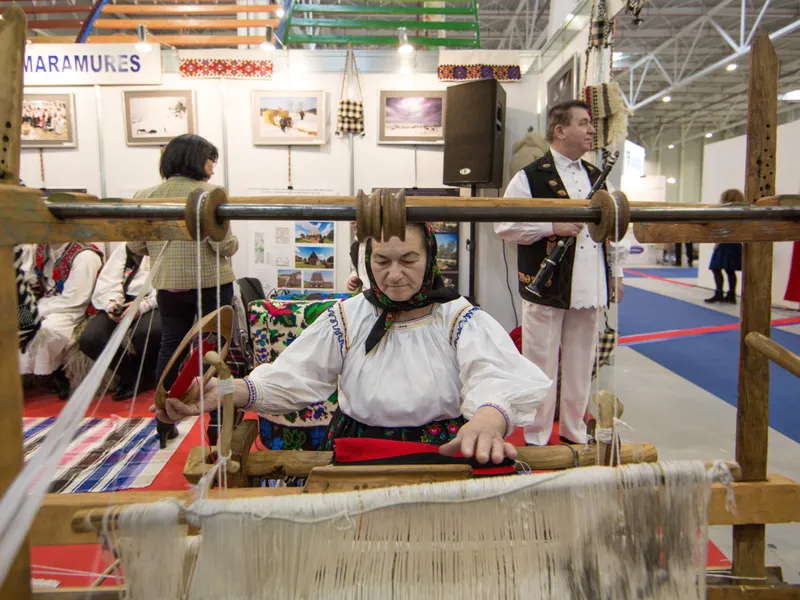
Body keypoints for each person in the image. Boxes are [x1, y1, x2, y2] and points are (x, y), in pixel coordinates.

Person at [153, 223, 552, 465]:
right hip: (356, 450)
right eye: (382, 261)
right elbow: (294, 378)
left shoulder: (456, 316)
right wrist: (223, 389)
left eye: (409, 260)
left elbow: (493, 373)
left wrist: (487, 418)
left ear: (431, 258)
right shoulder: (348, 317)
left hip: (441, 452)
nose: (394, 275)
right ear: (367, 260)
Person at [495, 100, 624, 447]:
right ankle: (536, 435)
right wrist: (551, 225)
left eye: (591, 124)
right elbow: (505, 225)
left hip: (590, 283)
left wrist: (617, 274)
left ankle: (574, 430)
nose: (591, 130)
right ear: (560, 130)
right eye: (583, 123)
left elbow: (613, 229)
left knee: (582, 363)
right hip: (545, 283)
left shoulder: (598, 176)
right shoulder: (529, 176)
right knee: (540, 361)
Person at [129, 134, 239, 448]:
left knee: (170, 347)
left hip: (169, 284)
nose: (213, 169)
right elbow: (226, 245)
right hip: (212, 282)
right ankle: (217, 424)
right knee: (216, 348)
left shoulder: (145, 196)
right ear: (197, 160)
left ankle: (163, 420)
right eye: (211, 161)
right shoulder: (210, 194)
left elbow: (136, 246)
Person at [18, 242, 103, 399]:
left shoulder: (84, 256)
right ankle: (17, 378)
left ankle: (55, 372)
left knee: (44, 330)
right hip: (44, 304)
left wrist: (38, 311)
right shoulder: (40, 249)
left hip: (73, 310)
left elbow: (76, 299)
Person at [78, 243, 161, 400]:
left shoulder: (169, 245)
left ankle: (150, 373)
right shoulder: (128, 247)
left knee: (148, 332)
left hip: (155, 302)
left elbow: (173, 285)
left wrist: (142, 306)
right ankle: (133, 374)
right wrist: (112, 304)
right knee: (90, 339)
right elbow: (108, 281)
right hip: (124, 299)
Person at [704, 188, 744, 304]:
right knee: (729, 270)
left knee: (716, 268)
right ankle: (731, 294)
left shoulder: (725, 211)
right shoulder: (741, 211)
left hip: (725, 243)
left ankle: (719, 293)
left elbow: (723, 228)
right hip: (735, 244)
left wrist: (718, 242)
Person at [346, 221, 370, 293]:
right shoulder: (355, 247)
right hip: (365, 296)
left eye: (357, 218)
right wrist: (353, 278)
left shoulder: (383, 246)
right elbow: (355, 270)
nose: (352, 222)